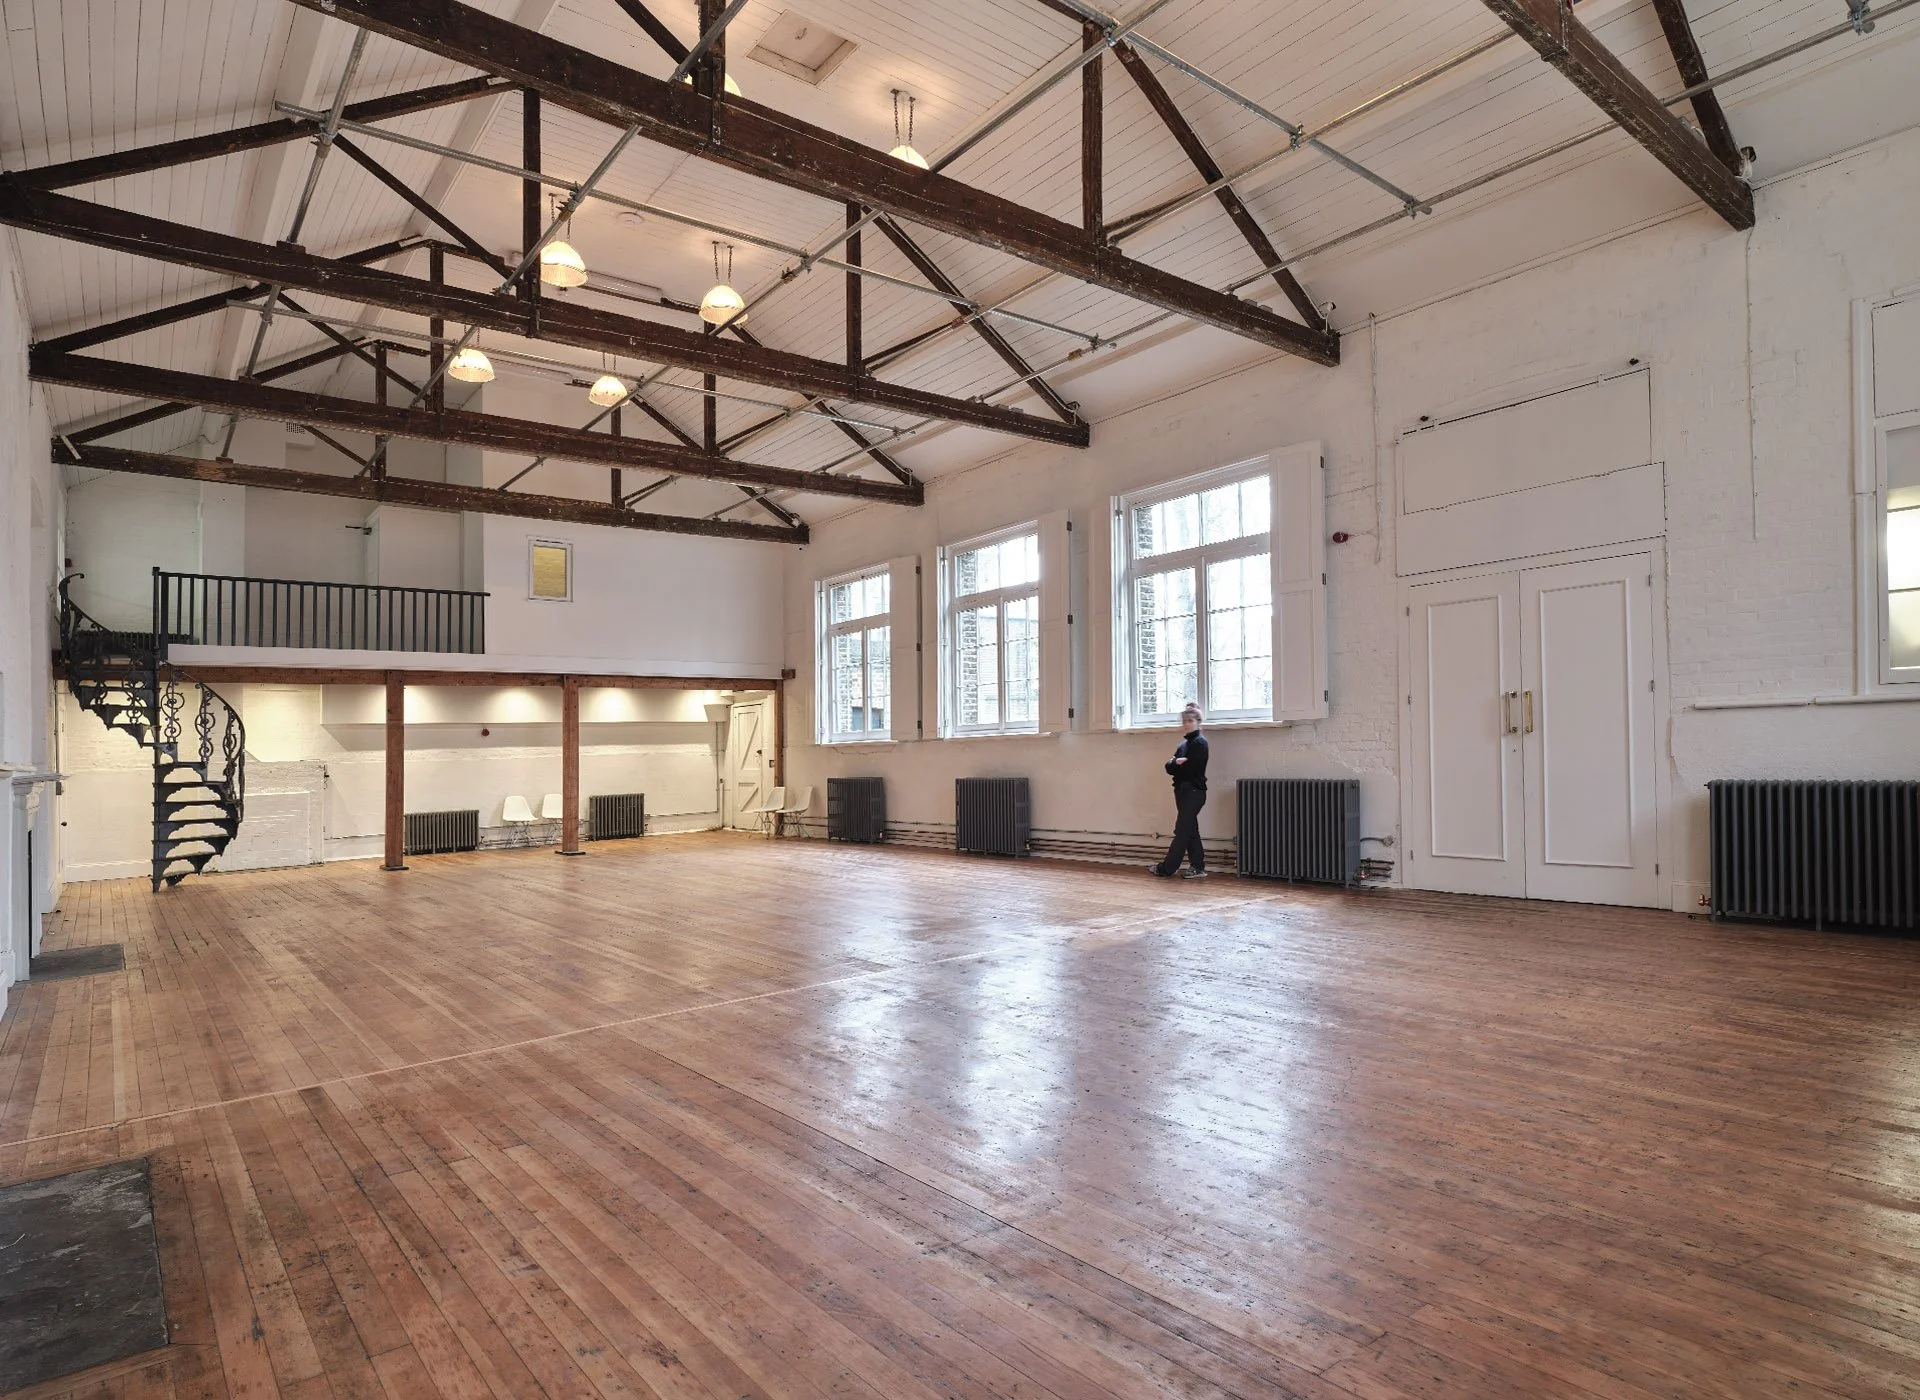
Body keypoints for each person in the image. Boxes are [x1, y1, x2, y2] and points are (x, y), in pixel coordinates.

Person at [1151, 703, 1210, 879]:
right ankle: (1198, 867)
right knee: (1190, 829)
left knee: (1182, 830)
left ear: (1198, 722)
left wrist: (1176, 764)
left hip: (1193, 792)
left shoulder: (1200, 743)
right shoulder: (1184, 744)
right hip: (1182, 791)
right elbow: (1169, 768)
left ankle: (1167, 868)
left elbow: (1191, 768)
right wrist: (1176, 762)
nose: (1186, 724)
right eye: (1184, 721)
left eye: (1190, 720)